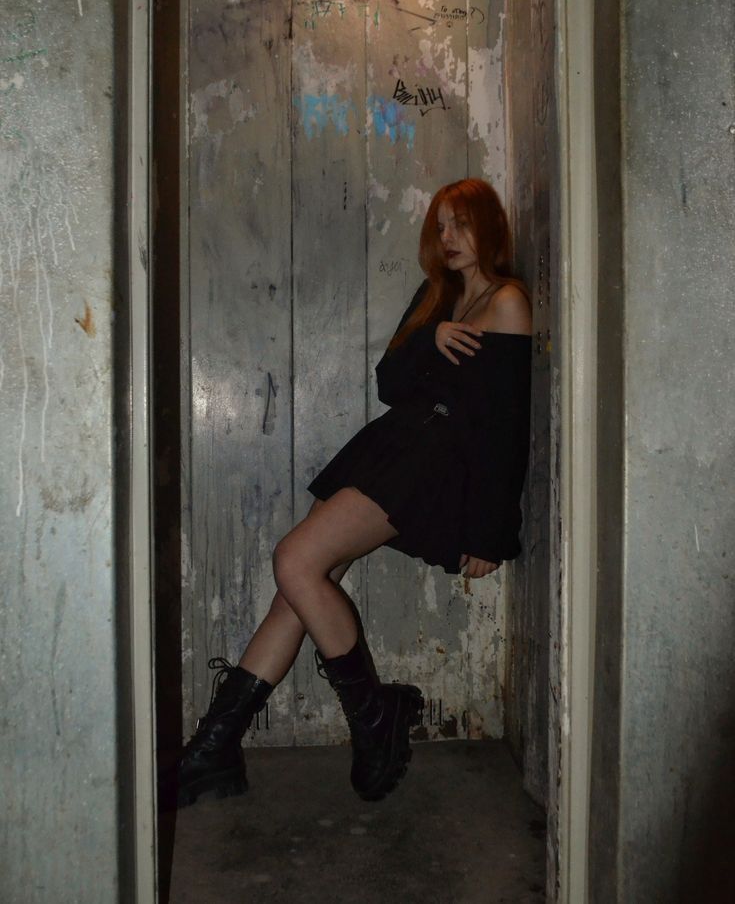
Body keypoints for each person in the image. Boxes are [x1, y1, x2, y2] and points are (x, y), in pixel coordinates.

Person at [163, 177, 532, 811]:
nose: (447, 238)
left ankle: (377, 713)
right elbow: (389, 381)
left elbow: (506, 427)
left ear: (489, 228)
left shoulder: (508, 302)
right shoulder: (437, 295)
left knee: (295, 561)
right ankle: (212, 750)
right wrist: (431, 337)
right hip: (392, 445)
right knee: (299, 586)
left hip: (433, 464)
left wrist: (489, 532)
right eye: (440, 226)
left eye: (461, 224)